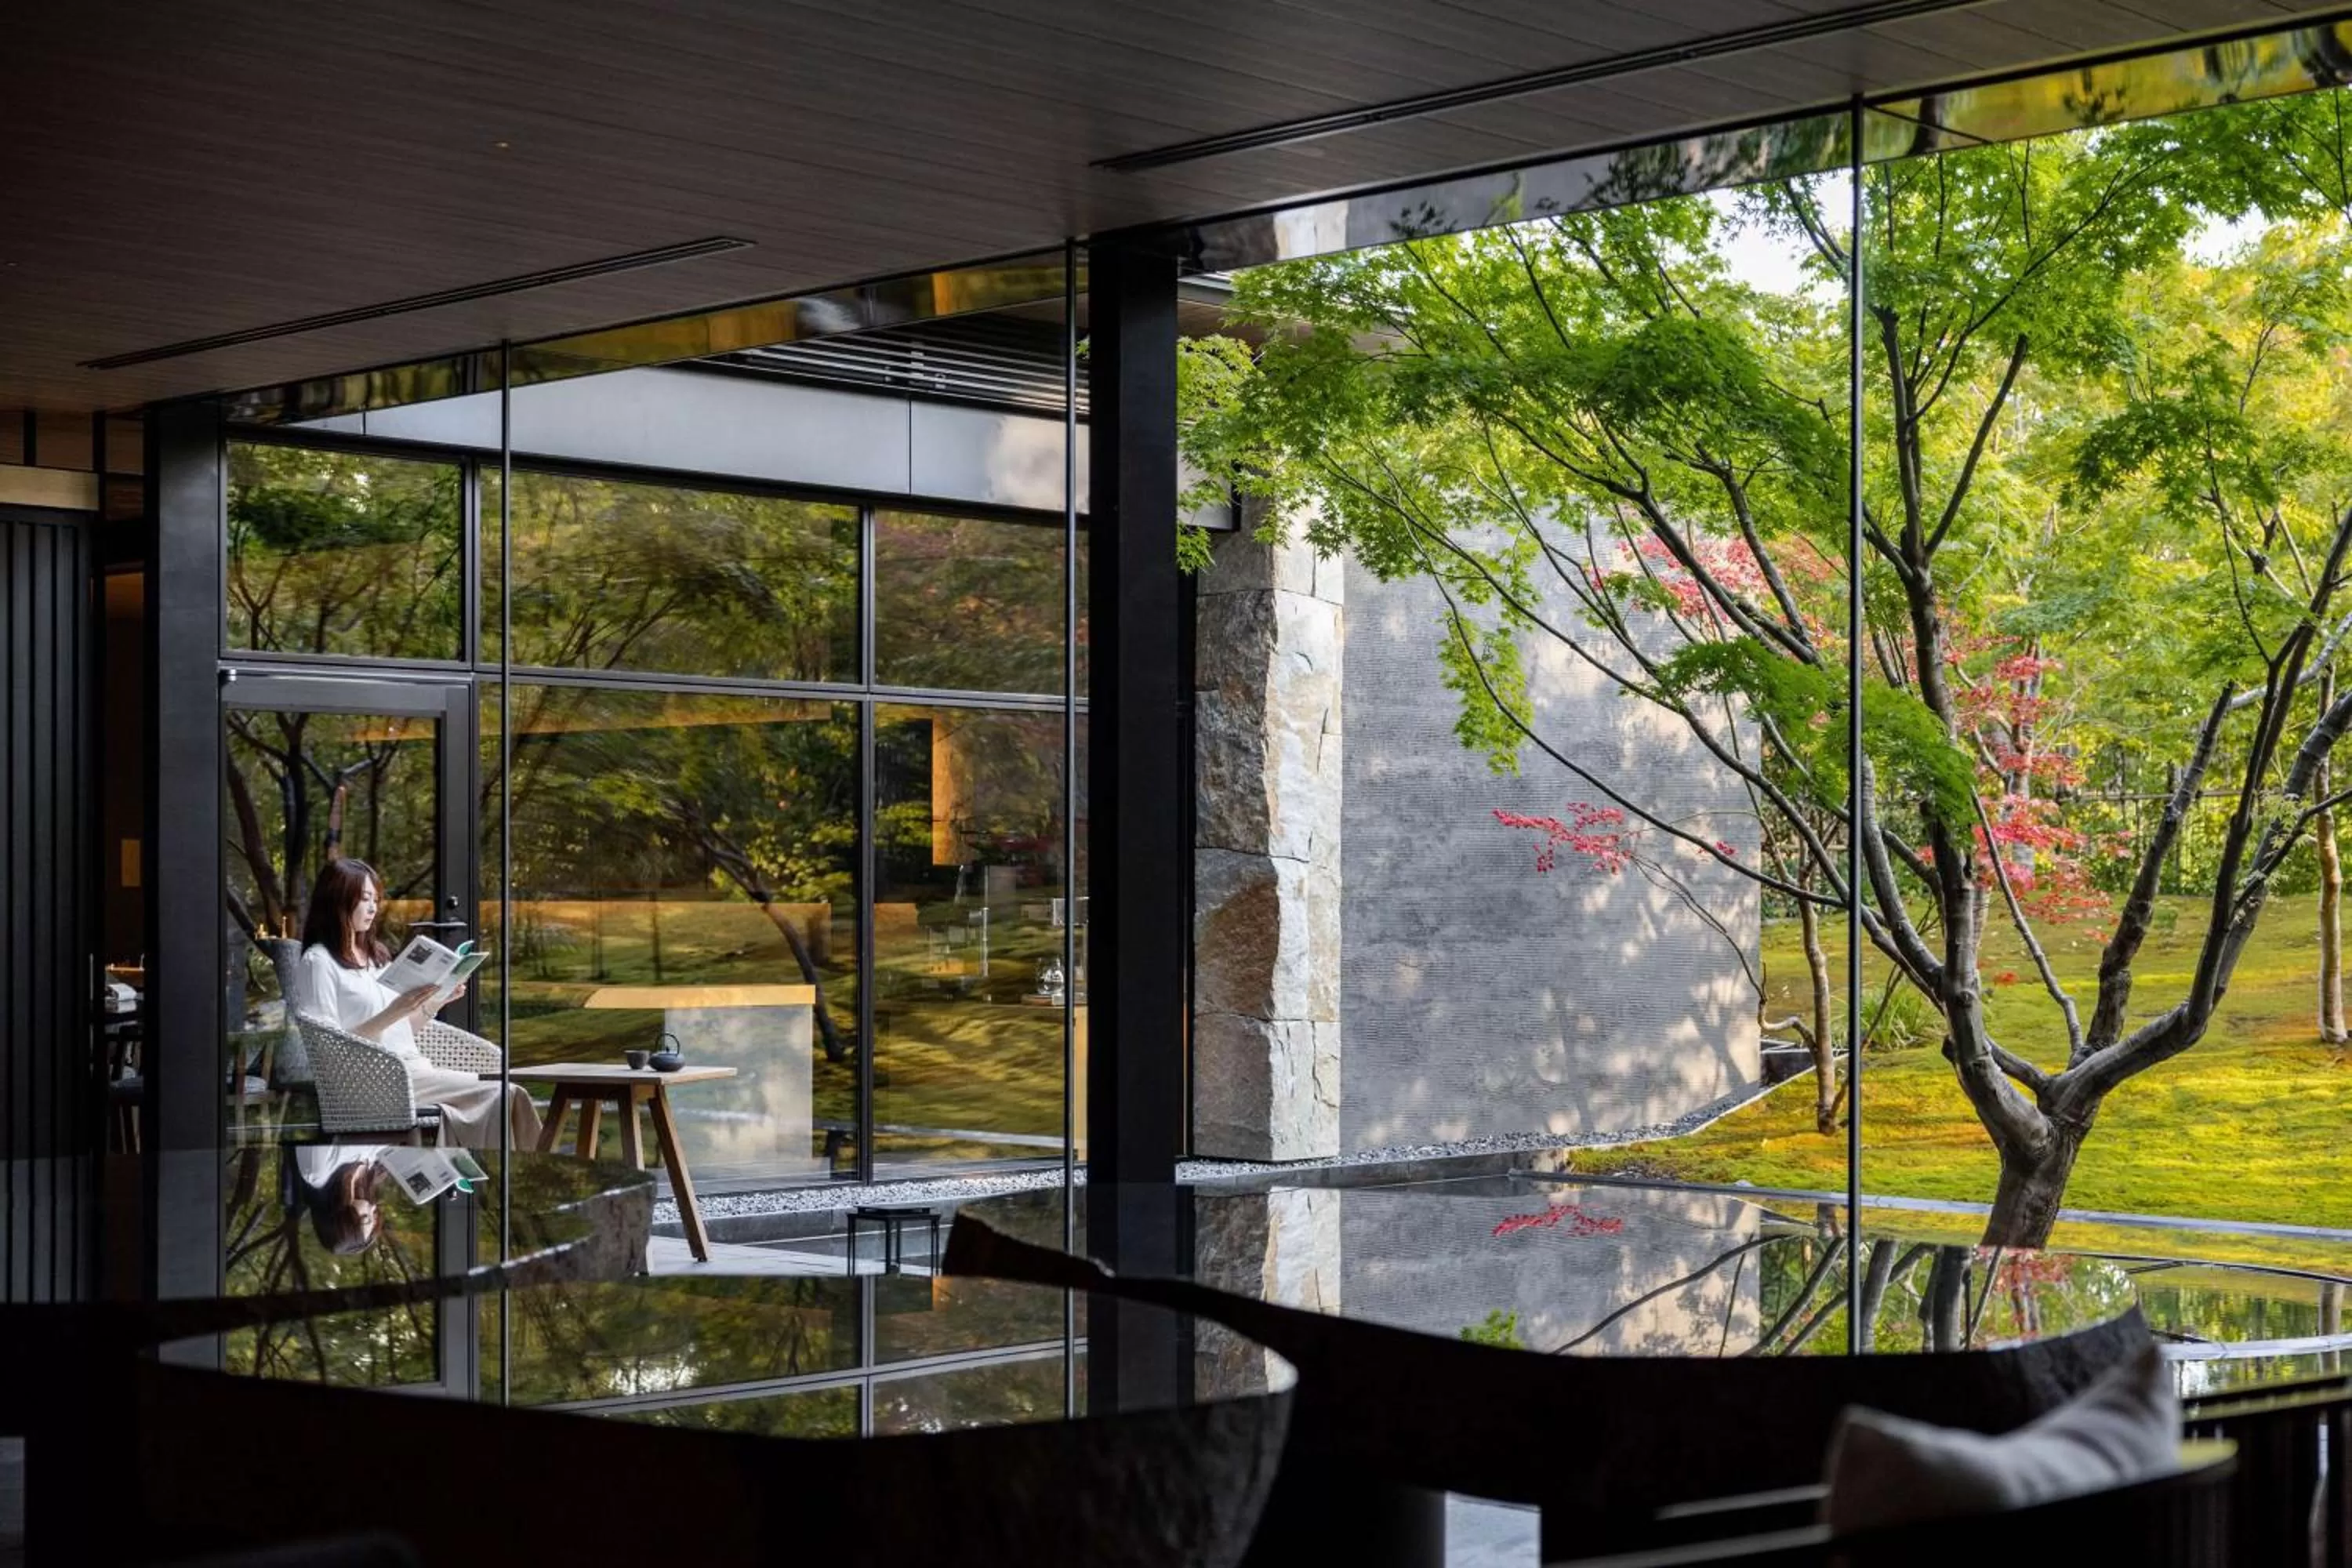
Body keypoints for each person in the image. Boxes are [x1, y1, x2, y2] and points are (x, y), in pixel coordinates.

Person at [289, 857, 540, 1150]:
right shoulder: (319, 962)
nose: (372, 908)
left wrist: (432, 1002)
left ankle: (502, 1175)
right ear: (338, 901)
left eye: (376, 900)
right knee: (505, 1093)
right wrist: (393, 1012)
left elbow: (402, 1030)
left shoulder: (376, 957)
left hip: (415, 1070)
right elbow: (327, 1049)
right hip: (375, 1082)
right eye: (364, 899)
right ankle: (523, 1171)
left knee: (503, 1092)